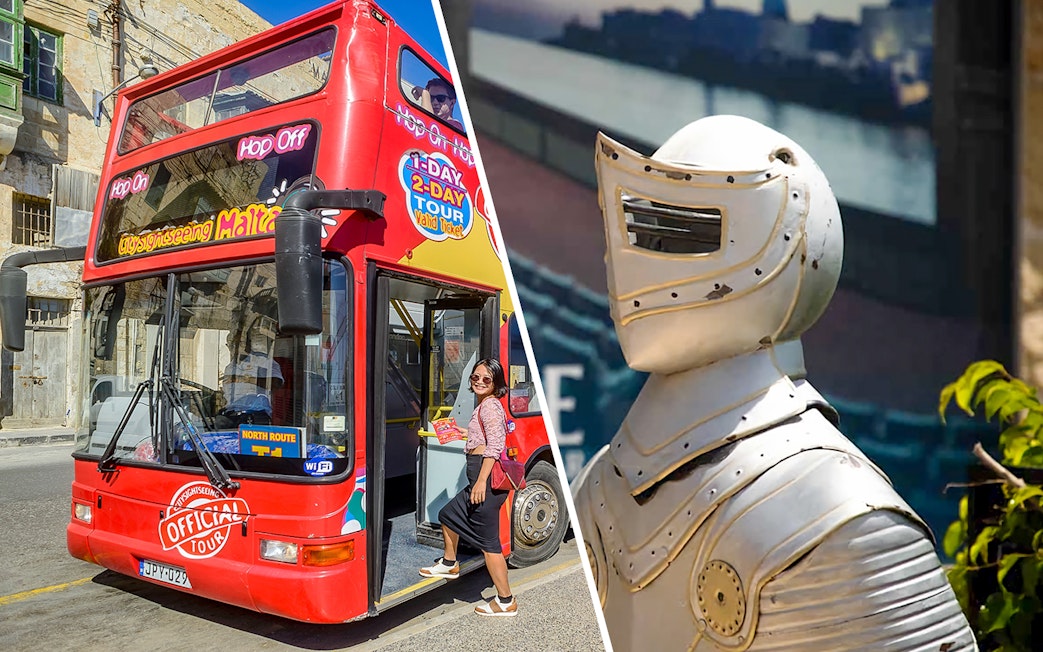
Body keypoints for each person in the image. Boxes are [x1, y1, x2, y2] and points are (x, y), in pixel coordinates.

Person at [570, 115, 977, 651]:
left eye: (677, 231)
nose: (636, 261)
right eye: (641, 231)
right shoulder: (600, 485)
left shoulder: (838, 511)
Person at [419, 357, 517, 617]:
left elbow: (495, 446)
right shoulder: (484, 406)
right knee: (448, 515)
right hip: (479, 477)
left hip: (485, 480)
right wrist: (463, 432)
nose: (479, 382)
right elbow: (483, 437)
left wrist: (481, 482)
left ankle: (506, 601)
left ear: (496, 382)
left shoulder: (490, 406)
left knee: (490, 545)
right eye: (475, 377)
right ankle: (450, 563)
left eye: (486, 378)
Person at [220, 330, 283, 426]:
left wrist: (247, 380)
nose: (235, 346)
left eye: (240, 343)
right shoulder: (229, 368)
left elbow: (276, 383)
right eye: (232, 343)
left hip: (257, 417)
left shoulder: (262, 361)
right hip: (233, 416)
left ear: (248, 344)